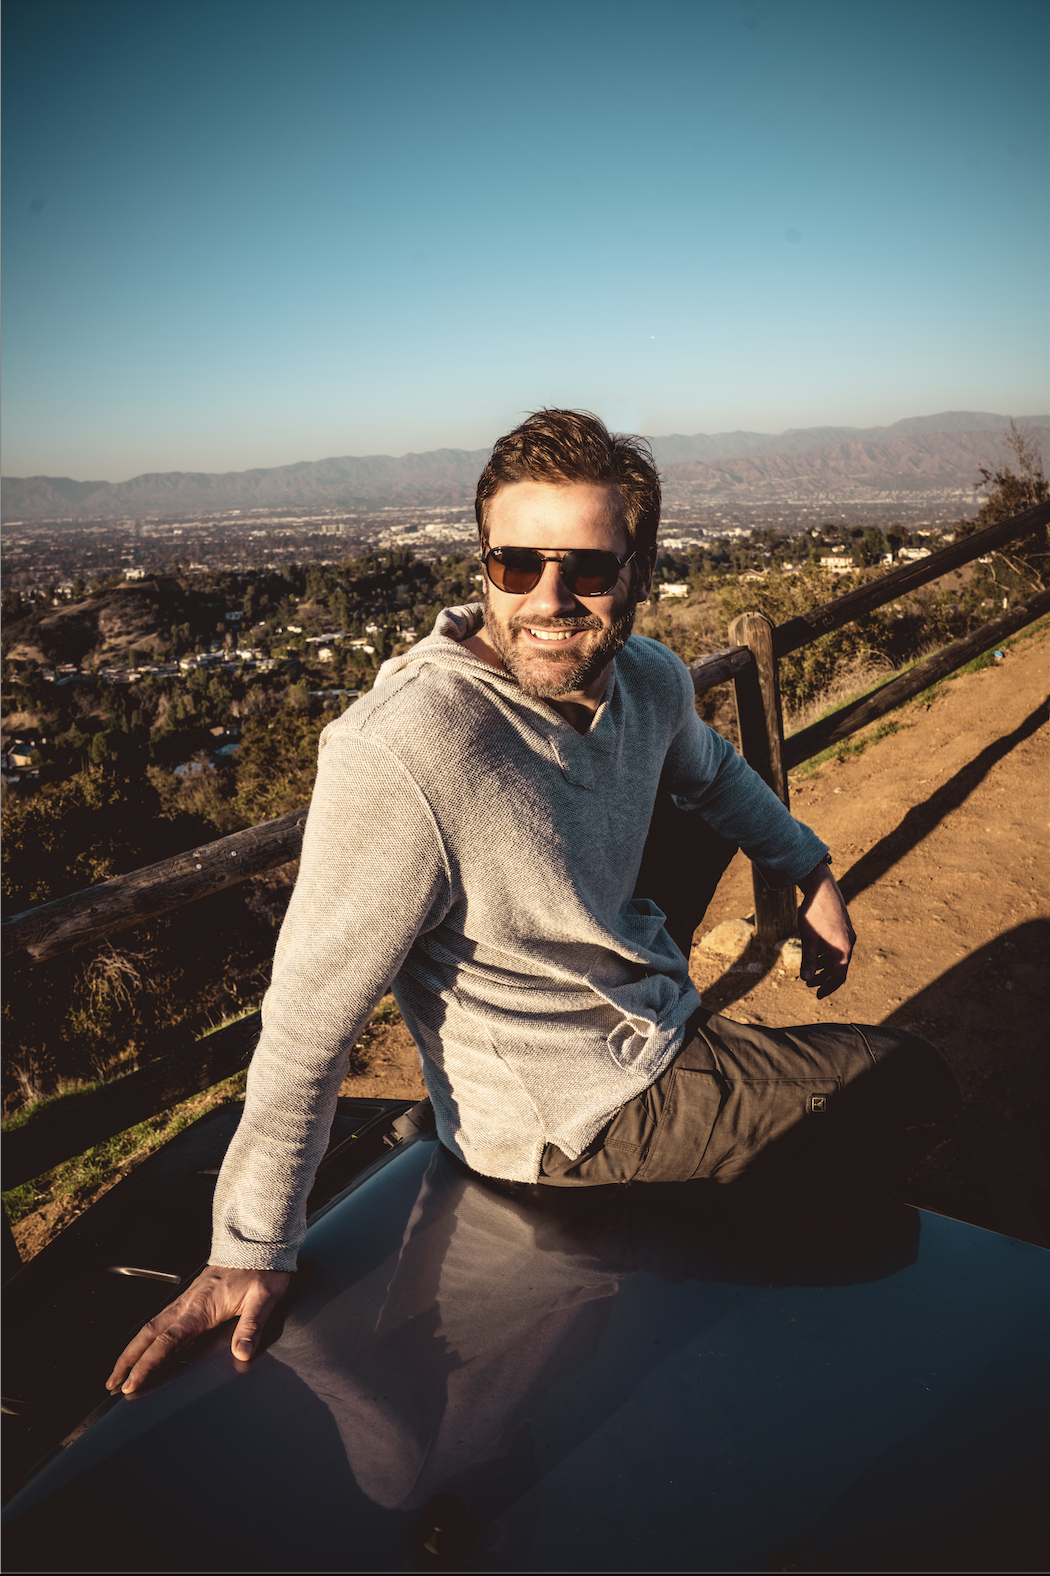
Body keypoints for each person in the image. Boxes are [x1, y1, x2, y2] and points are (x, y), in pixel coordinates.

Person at [107, 410, 958, 1396]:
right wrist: (250, 1247)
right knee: (910, 1085)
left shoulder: (646, 680)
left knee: (696, 839)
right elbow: (307, 1022)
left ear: (638, 573)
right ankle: (703, 1267)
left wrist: (809, 870)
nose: (548, 600)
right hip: (566, 1115)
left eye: (586, 568)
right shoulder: (407, 750)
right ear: (484, 565)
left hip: (640, 1017)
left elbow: (713, 770)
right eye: (516, 565)